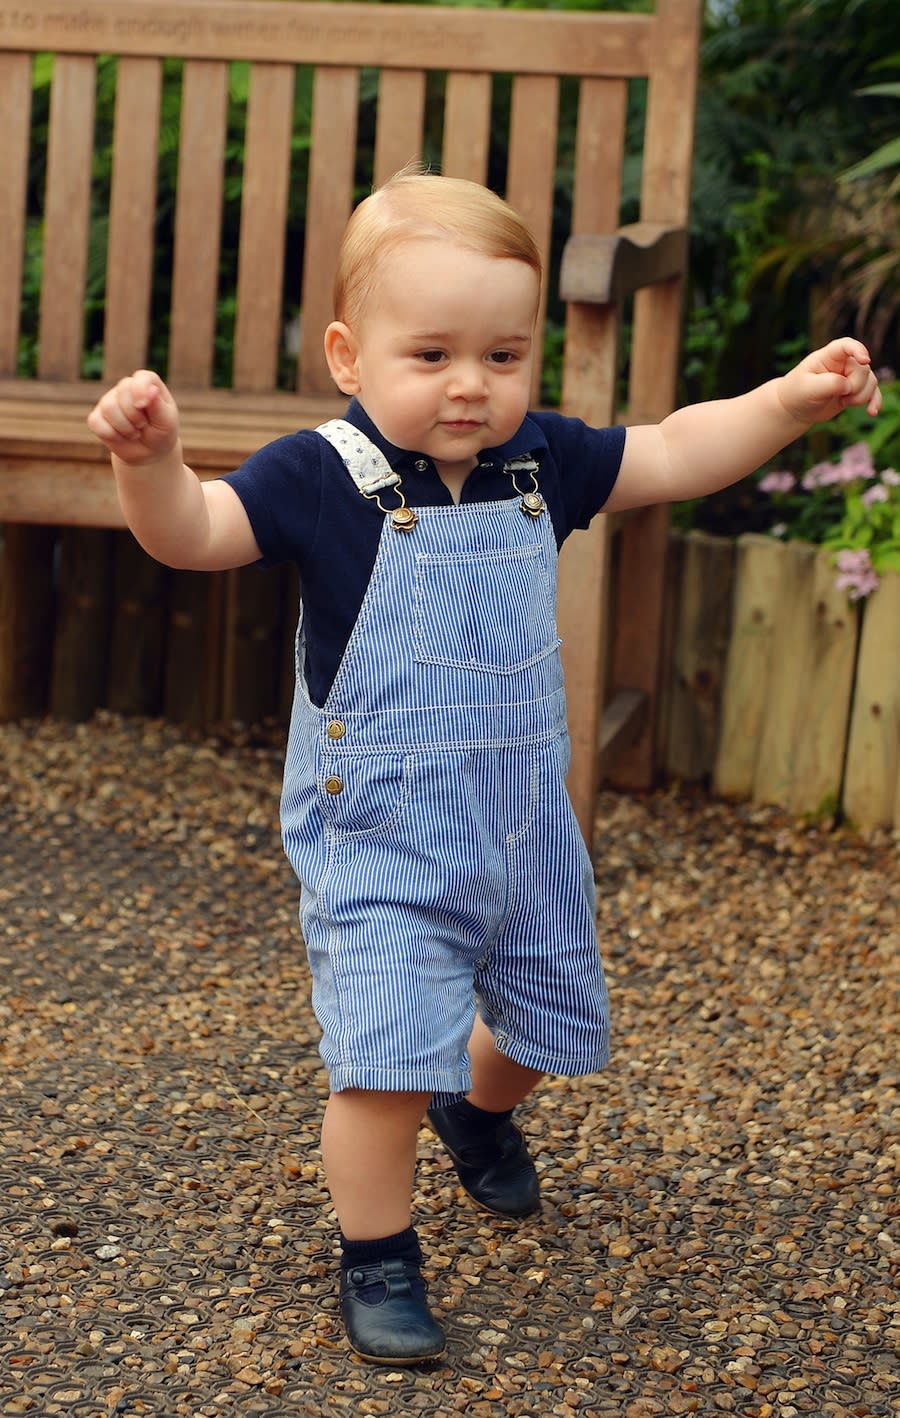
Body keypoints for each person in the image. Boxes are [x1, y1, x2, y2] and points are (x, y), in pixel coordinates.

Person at [87, 172, 881, 1367]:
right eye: (435, 354)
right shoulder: (319, 475)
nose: (474, 384)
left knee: (545, 1021)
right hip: (383, 834)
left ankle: (480, 1106)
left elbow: (669, 450)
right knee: (383, 1061)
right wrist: (150, 463)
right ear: (349, 356)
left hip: (520, 819)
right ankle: (379, 1254)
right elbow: (192, 532)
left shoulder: (539, 460)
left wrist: (781, 400)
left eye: (505, 354)